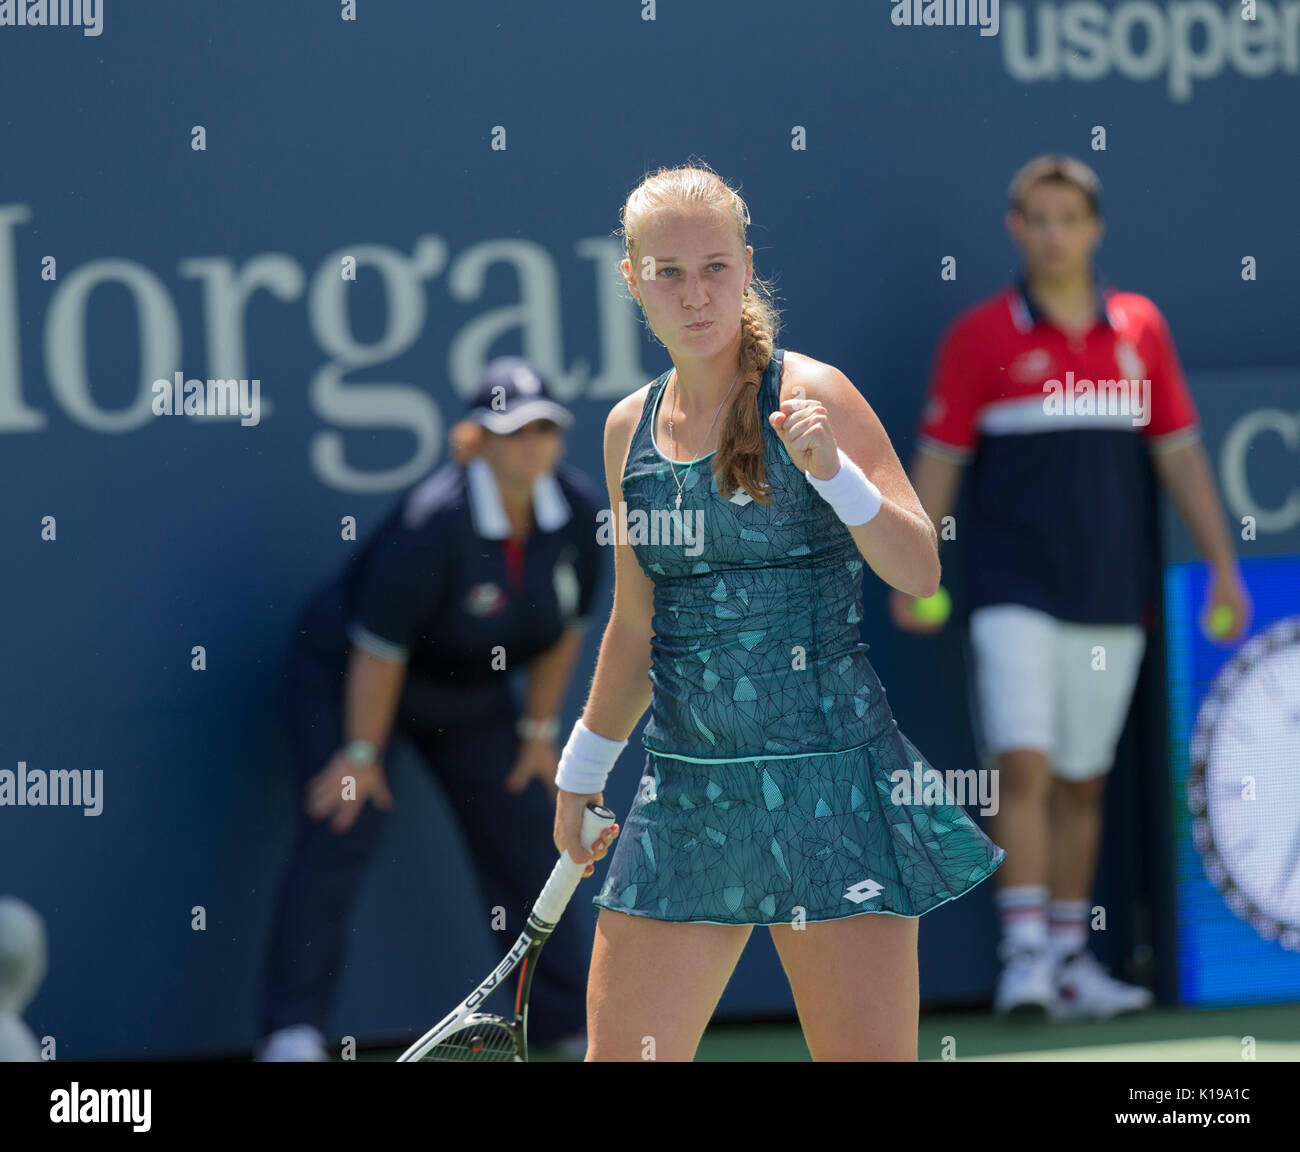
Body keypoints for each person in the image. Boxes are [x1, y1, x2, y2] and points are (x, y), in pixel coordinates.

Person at [549, 161, 1006, 1063]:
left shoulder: (815, 393)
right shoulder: (623, 432)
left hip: (836, 793)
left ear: (747, 265)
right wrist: (581, 768)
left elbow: (918, 569)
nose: (695, 295)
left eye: (715, 267)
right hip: (687, 796)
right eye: (668, 272)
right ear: (630, 279)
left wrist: (834, 475)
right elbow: (637, 625)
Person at [890, 155, 1252, 1020]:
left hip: (1110, 596)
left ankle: (1066, 956)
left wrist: (1224, 564)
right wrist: (912, 569)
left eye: (1069, 218)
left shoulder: (1138, 330)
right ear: (1017, 229)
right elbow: (938, 463)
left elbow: (1179, 456)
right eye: (1037, 219)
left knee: (1084, 781)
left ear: (1094, 229)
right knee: (1025, 763)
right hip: (1012, 590)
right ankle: (1022, 958)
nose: (1054, 234)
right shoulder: (980, 338)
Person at [258, 358, 608, 1060]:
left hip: (470, 693)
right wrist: (360, 755)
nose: (531, 444)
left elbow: (564, 632)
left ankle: (565, 1025)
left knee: (525, 827)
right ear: (474, 440)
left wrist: (540, 732)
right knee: (343, 819)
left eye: (543, 429)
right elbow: (380, 651)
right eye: (513, 432)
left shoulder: (575, 515)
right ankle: (291, 1034)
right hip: (352, 679)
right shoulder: (431, 524)